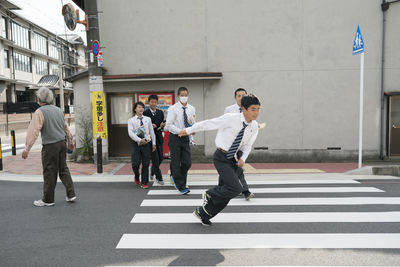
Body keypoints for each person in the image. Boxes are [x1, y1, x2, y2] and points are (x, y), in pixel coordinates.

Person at [179, 94, 260, 226]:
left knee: (227, 193)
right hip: (221, 157)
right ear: (244, 109)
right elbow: (208, 124)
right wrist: (188, 130)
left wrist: (243, 159)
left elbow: (247, 145)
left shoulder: (254, 126)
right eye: (253, 109)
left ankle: (202, 213)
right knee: (235, 188)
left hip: (233, 159)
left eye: (258, 109)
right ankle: (210, 193)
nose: (256, 113)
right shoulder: (231, 119)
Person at [22, 87, 76, 207]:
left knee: (49, 171)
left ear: (40, 99)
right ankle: (71, 194)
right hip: (62, 143)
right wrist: (70, 141)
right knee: (63, 169)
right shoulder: (58, 110)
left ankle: (48, 199)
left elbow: (33, 131)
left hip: (50, 146)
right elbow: (66, 128)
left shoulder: (40, 112)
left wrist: (27, 148)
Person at [224, 88, 255, 200]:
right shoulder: (229, 110)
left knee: (234, 168)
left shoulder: (249, 108)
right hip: (231, 143)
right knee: (233, 168)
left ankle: (227, 188)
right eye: (239, 96)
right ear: (235, 97)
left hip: (242, 143)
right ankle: (245, 191)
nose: (241, 98)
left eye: (244, 95)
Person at [165, 87, 195, 195]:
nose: (184, 97)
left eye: (185, 95)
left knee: (187, 163)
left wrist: (192, 134)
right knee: (176, 163)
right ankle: (181, 185)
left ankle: (175, 177)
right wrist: (181, 131)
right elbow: (168, 125)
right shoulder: (172, 109)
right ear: (178, 96)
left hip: (185, 137)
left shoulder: (191, 108)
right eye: (182, 95)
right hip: (175, 137)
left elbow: (191, 122)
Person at [128, 101, 156, 189]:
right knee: (135, 164)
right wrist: (140, 140)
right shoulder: (131, 120)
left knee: (146, 163)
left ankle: (144, 182)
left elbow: (151, 132)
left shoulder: (147, 119)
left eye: (142, 107)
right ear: (135, 109)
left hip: (146, 144)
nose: (141, 109)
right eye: (139, 107)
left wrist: (153, 143)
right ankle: (136, 175)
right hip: (136, 144)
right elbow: (130, 133)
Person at [143, 95, 165, 185]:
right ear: (149, 102)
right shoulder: (145, 113)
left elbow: (161, 124)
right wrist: (151, 126)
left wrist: (160, 126)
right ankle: (159, 178)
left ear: (157, 102)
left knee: (161, 158)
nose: (153, 103)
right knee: (155, 159)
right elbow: (143, 126)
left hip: (159, 137)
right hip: (150, 139)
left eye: (155, 102)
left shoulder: (160, 112)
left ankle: (152, 171)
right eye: (152, 102)